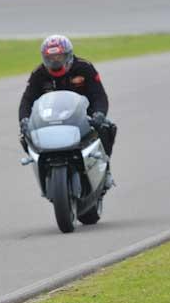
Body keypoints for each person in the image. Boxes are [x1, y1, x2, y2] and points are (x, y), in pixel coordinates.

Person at [18, 34, 117, 188]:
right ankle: (44, 171)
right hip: (51, 119)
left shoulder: (84, 68)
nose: (55, 61)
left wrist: (99, 114)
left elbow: (99, 95)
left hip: (84, 117)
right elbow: (27, 100)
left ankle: (105, 170)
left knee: (107, 128)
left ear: (69, 55)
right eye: (50, 58)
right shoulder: (39, 73)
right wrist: (23, 119)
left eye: (59, 57)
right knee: (25, 135)